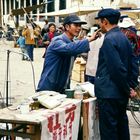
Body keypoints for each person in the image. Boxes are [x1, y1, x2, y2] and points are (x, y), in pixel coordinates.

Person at [94, 8, 138, 140]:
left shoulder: (109, 39)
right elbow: (133, 64)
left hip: (109, 94)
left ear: (105, 21)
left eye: (100, 22)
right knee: (121, 127)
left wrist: (127, 88)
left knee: (109, 132)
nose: (99, 26)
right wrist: (131, 86)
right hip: (120, 94)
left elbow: (117, 69)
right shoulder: (123, 37)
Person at [36, 14, 100, 93]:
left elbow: (79, 50)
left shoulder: (72, 42)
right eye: (76, 25)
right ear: (67, 27)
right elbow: (69, 49)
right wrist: (89, 39)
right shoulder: (57, 41)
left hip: (63, 85)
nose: (79, 28)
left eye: (80, 26)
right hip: (49, 86)